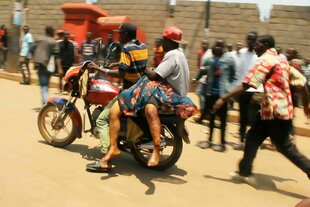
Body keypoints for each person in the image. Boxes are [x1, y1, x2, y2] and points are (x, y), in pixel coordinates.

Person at [87, 26, 197, 172]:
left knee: (109, 115)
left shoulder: (128, 49)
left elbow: (147, 75)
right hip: (174, 90)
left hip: (167, 93)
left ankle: (108, 155)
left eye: (163, 40)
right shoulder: (147, 47)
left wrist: (101, 69)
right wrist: (136, 66)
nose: (161, 44)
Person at [213, 34, 310, 185]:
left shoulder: (266, 60)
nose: (255, 48)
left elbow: (247, 85)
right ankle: (244, 172)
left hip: (274, 110)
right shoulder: (282, 61)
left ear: (264, 45)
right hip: (274, 110)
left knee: (285, 146)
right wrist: (306, 104)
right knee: (252, 138)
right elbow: (302, 83)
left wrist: (223, 98)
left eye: (257, 44)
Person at [85, 22, 148, 168]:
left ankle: (108, 155)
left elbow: (122, 73)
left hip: (129, 92)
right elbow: (134, 65)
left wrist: (100, 69)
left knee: (101, 120)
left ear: (125, 34)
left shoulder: (125, 48)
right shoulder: (142, 46)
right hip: (140, 87)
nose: (117, 36)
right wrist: (116, 65)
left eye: (119, 33)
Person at [196, 41, 236, 152]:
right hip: (210, 93)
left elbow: (234, 76)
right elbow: (203, 71)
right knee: (211, 117)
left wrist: (230, 91)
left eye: (220, 45)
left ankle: (222, 143)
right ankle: (209, 140)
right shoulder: (209, 60)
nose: (217, 47)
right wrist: (197, 78)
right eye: (216, 45)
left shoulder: (229, 60)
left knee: (222, 119)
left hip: (222, 95)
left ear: (223, 48)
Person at [234, 32, 259, 150]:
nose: (250, 42)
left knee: (254, 117)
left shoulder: (258, 55)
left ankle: (254, 141)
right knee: (243, 115)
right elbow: (237, 71)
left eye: (252, 40)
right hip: (242, 89)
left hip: (254, 91)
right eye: (248, 39)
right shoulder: (241, 53)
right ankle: (241, 139)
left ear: (256, 41)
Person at [32, 26, 58, 106]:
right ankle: (45, 104)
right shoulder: (53, 42)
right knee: (46, 85)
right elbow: (57, 55)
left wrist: (35, 58)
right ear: (51, 32)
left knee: (43, 85)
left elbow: (31, 48)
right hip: (50, 66)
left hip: (40, 64)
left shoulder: (39, 39)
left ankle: (44, 104)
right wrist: (59, 68)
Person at [192, 39, 211, 123]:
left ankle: (203, 112)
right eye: (203, 44)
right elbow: (199, 64)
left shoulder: (209, 54)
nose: (204, 45)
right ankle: (204, 112)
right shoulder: (200, 52)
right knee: (201, 94)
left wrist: (197, 78)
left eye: (206, 44)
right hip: (203, 76)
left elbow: (204, 68)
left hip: (206, 78)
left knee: (200, 93)